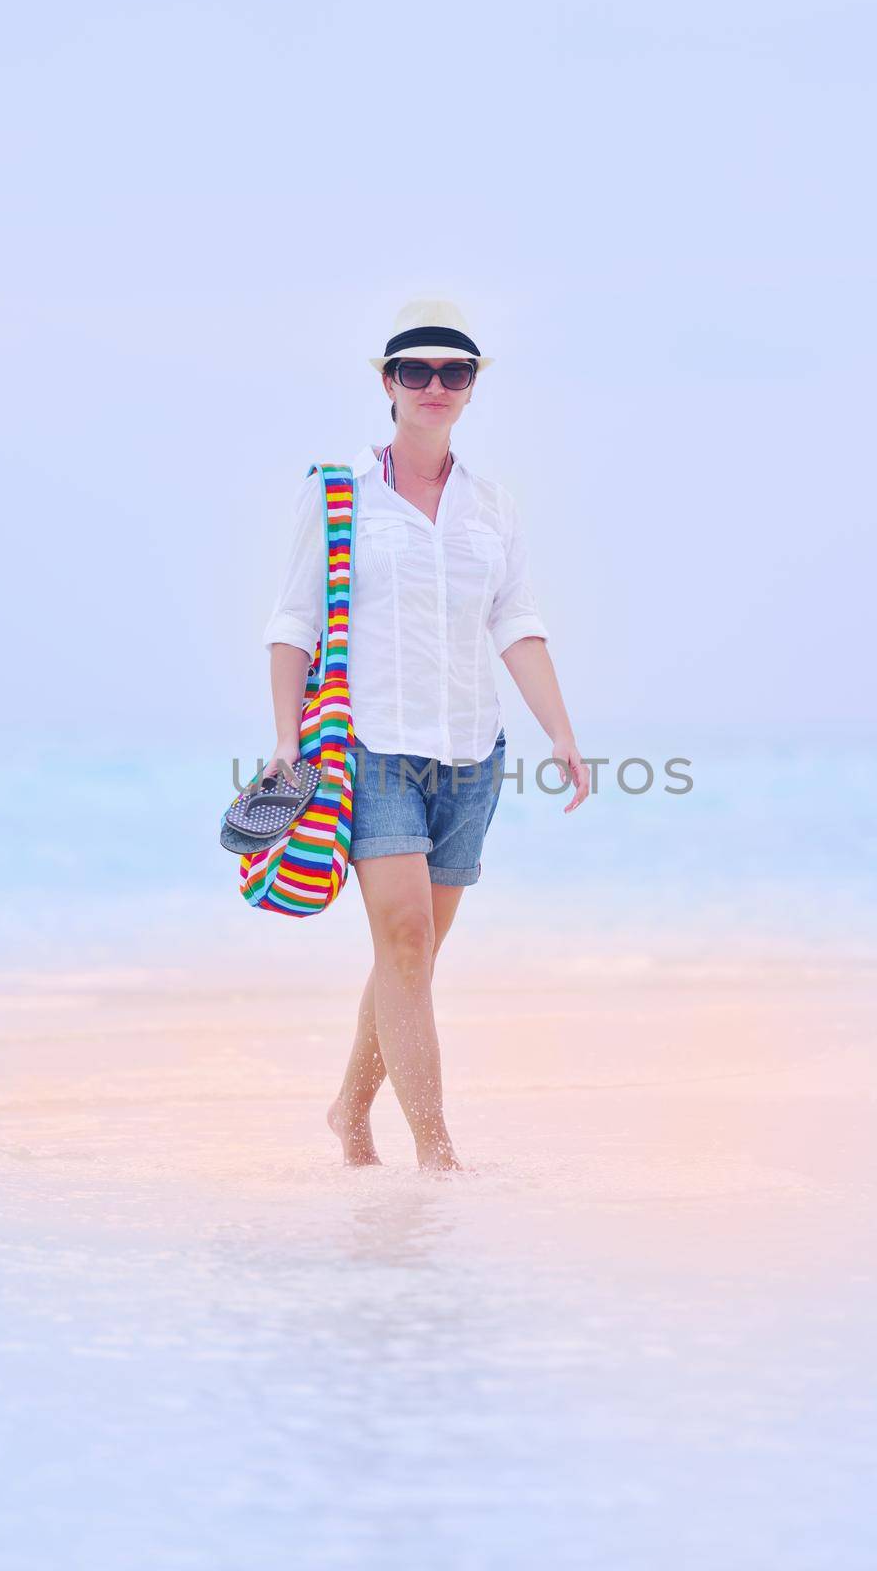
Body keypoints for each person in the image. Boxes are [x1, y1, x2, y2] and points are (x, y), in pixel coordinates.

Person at [261, 299, 590, 1173]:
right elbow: (293, 622)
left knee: (412, 956)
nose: (436, 385)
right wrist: (286, 742)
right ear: (388, 384)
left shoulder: (494, 507)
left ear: (474, 389)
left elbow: (516, 620)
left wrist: (560, 731)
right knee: (403, 940)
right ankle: (438, 1155)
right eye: (418, 371)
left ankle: (348, 1112)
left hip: (472, 756)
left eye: (456, 372)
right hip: (368, 748)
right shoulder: (339, 496)